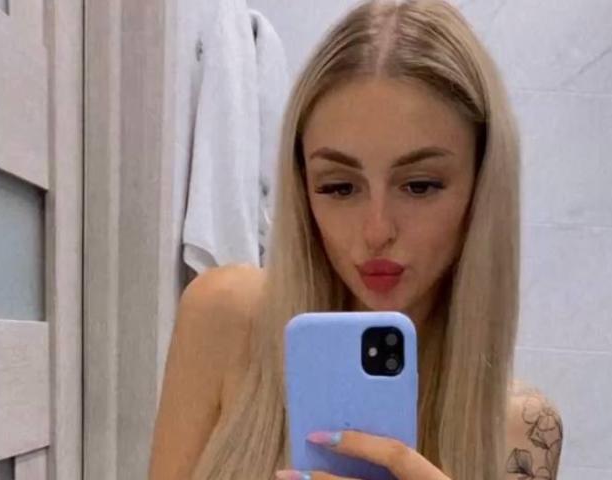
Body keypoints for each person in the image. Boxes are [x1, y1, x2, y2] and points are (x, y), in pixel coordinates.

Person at [148, 1, 564, 479]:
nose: (376, 231)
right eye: (339, 187)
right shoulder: (224, 317)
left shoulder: (523, 431)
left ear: (482, 186)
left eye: (420, 185)